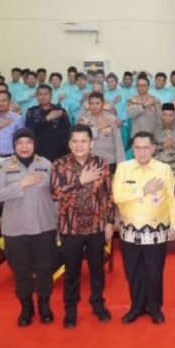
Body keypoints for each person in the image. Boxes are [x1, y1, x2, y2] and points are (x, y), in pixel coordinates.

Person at [0, 128, 57, 327]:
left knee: (45, 269)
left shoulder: (46, 164)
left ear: (34, 144)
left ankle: (44, 305)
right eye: (19, 143)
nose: (24, 146)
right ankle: (26, 307)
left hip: (44, 226)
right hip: (16, 229)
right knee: (21, 271)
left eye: (28, 142)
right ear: (14, 146)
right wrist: (21, 183)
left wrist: (59, 226)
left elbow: (57, 197)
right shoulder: (5, 166)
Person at [50, 124, 114, 328]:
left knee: (97, 270)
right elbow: (54, 193)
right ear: (69, 144)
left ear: (91, 143)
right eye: (75, 141)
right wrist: (79, 180)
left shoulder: (101, 163)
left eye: (83, 141)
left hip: (96, 227)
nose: (79, 145)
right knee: (72, 271)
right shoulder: (59, 164)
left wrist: (110, 222)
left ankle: (97, 303)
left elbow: (108, 195)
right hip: (70, 227)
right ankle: (70, 308)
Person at [112, 131, 175, 325]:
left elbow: (172, 199)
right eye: (137, 148)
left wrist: (174, 225)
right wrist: (143, 191)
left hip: (157, 229)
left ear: (153, 148)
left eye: (146, 148)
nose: (141, 152)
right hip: (130, 230)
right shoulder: (123, 168)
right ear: (132, 149)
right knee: (133, 271)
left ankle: (155, 308)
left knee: (154, 271)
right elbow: (117, 197)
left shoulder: (164, 169)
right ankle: (136, 307)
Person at [78, 92, 125, 173]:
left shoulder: (112, 120)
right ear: (88, 105)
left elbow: (118, 145)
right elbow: (82, 140)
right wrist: (97, 128)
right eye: (92, 103)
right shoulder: (84, 121)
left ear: (103, 104)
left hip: (109, 162)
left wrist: (121, 167)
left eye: (97, 103)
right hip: (89, 162)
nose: (94, 106)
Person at [25, 85, 70, 162]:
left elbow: (67, 131)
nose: (43, 97)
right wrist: (47, 119)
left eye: (46, 94)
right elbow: (29, 131)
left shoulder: (59, 111)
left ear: (51, 95)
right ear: (36, 96)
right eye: (40, 94)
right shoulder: (31, 111)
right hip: (38, 152)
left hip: (58, 152)